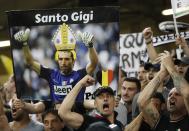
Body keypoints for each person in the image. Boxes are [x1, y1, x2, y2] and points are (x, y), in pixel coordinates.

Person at [14, 24, 98, 104]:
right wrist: (24, 44)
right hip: (56, 116)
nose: (63, 62)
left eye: (67, 59)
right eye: (60, 59)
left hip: (76, 114)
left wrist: (90, 45)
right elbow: (30, 62)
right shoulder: (51, 74)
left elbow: (94, 63)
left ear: (73, 61)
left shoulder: (79, 75)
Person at [138, 51, 189, 131]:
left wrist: (170, 66)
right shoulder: (160, 121)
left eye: (177, 94)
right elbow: (142, 102)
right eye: (170, 95)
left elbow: (186, 93)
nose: (172, 96)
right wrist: (162, 72)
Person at [58, 75, 123, 131]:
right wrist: (80, 84)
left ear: (115, 102)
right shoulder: (89, 121)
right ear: (95, 104)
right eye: (101, 97)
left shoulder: (120, 125)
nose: (105, 99)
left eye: (108, 96)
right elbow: (63, 113)